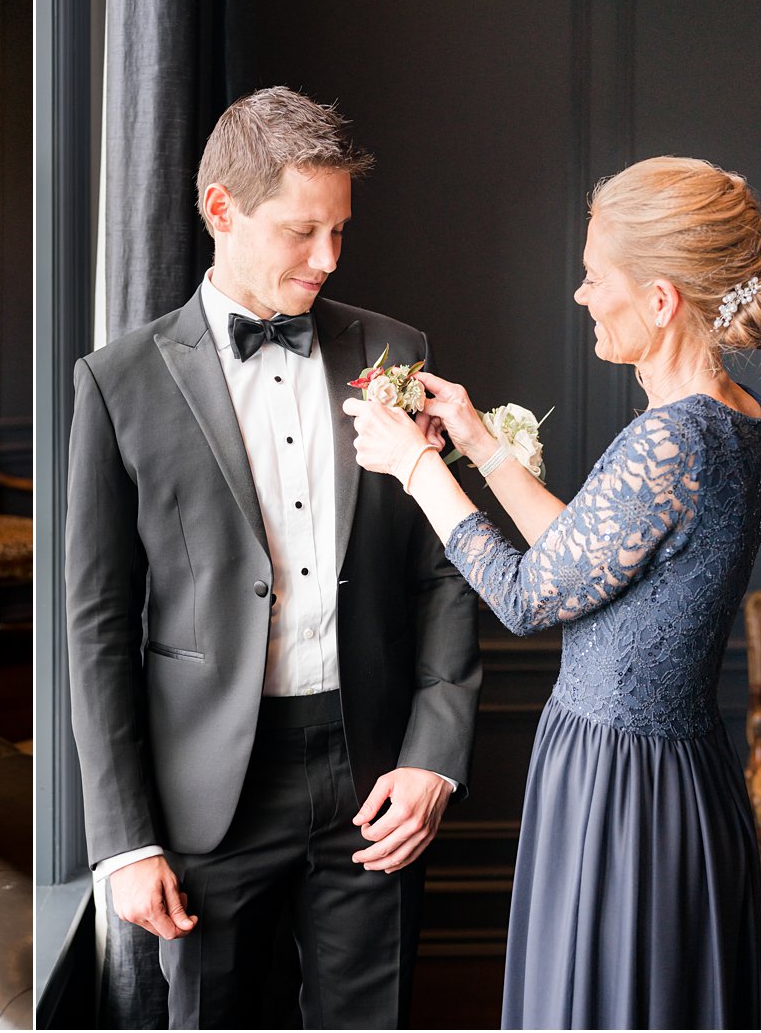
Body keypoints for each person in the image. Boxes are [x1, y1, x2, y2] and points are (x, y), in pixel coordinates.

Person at [66, 86, 481, 1029]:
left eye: (339, 231)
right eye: (302, 232)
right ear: (221, 208)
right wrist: (122, 842)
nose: (327, 258)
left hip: (373, 773)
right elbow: (95, 625)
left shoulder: (394, 352)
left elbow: (444, 567)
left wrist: (434, 755)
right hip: (208, 789)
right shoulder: (118, 381)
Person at [343, 155, 761, 1028]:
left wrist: (419, 467)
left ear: (660, 300)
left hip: (622, 790)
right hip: (675, 777)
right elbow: (589, 558)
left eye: (595, 278)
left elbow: (525, 597)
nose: (581, 296)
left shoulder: (672, 442)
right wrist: (475, 438)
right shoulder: (739, 420)